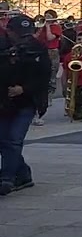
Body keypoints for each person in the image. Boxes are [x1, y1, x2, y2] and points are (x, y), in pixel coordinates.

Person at [0, 15, 52, 195]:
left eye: (27, 35)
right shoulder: (2, 46)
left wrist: (24, 88)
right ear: (9, 31)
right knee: (3, 140)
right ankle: (23, 174)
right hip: (4, 101)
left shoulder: (38, 48)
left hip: (27, 101)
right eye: (20, 35)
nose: (25, 39)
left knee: (14, 140)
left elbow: (44, 77)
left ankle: (6, 178)